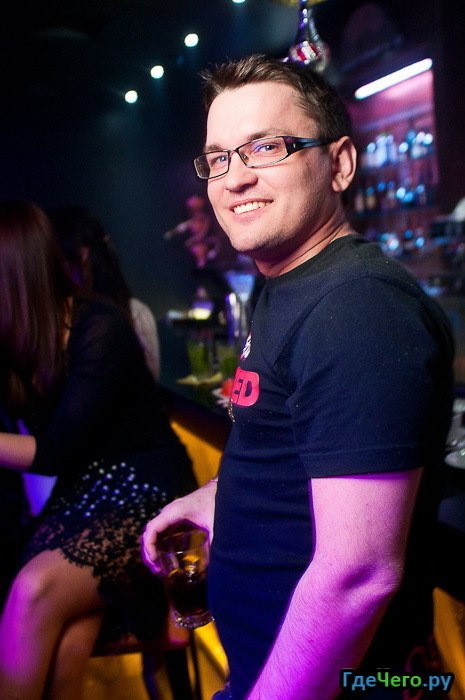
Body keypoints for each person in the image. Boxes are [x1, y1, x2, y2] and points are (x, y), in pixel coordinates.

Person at [142, 54, 455, 700]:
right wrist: (219, 498)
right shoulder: (286, 284)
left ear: (339, 163)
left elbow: (358, 575)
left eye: (266, 147)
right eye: (219, 157)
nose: (235, 177)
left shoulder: (357, 308)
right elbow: (298, 450)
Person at [0, 199, 196, 699]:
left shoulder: (98, 324)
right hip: (81, 492)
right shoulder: (18, 339)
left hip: (144, 489)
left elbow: (53, 453)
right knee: (65, 642)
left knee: (32, 592)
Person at [49, 204, 161, 381]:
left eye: (55, 259)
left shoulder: (132, 314)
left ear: (83, 255)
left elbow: (149, 383)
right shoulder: (53, 314)